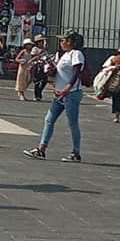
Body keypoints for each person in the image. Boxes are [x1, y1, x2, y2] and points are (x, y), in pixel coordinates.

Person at [24, 30, 85, 162]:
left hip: (71, 93)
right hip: (60, 93)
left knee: (72, 123)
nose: (61, 42)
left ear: (71, 42)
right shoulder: (64, 55)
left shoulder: (76, 54)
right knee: (49, 120)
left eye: (64, 40)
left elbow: (76, 72)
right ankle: (41, 149)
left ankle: (76, 152)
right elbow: (59, 73)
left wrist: (67, 87)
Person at [31, 35, 49, 101]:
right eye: (40, 41)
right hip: (37, 65)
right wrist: (39, 54)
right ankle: (37, 95)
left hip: (44, 66)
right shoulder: (35, 49)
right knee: (37, 81)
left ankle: (40, 91)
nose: (42, 43)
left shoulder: (44, 49)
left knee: (45, 80)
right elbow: (32, 58)